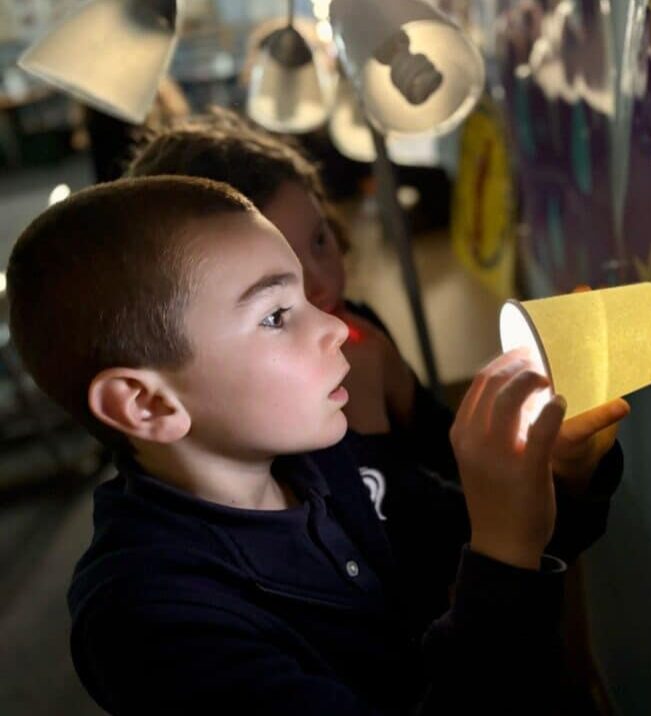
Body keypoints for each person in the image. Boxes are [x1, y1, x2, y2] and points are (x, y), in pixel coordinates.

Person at [5, 176, 629, 714]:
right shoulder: (147, 621)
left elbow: (476, 539)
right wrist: (503, 552)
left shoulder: (323, 460)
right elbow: (499, 558)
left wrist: (562, 475)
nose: (333, 327)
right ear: (147, 404)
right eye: (276, 315)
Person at [127, 109, 457, 479]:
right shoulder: (242, 433)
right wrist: (366, 433)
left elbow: (451, 459)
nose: (321, 284)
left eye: (319, 240)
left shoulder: (358, 327)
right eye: (275, 298)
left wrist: (396, 381)